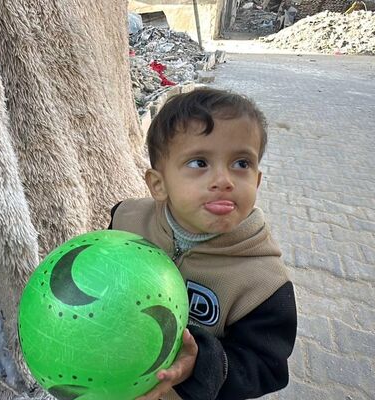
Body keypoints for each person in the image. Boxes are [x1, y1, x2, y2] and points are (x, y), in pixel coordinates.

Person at [108, 88, 297, 400]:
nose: (224, 180)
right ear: (159, 183)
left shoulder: (263, 283)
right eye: (199, 162)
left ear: (258, 181)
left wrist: (203, 365)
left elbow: (266, 368)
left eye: (241, 163)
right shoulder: (126, 222)